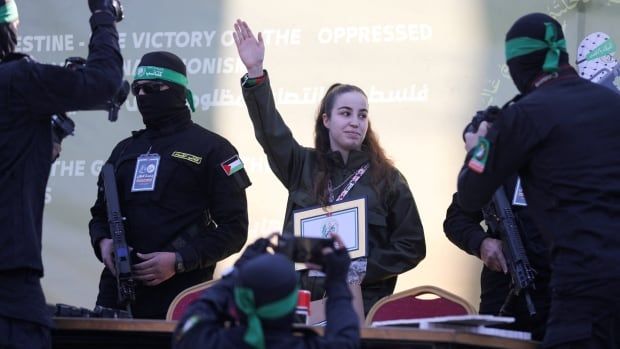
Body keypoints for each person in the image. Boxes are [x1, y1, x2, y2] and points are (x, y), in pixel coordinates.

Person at [232, 19, 426, 314]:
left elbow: (412, 245)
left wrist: (362, 269)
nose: (355, 122)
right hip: (300, 303)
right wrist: (256, 74)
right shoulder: (302, 165)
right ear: (326, 120)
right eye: (345, 113)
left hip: (362, 304)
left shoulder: (388, 178)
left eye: (362, 115)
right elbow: (271, 133)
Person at [457, 13, 620, 348]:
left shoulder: (525, 115)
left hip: (580, 287)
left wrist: (477, 149)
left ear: (518, 67)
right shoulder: (612, 104)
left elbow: (471, 193)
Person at [88, 51, 251, 319]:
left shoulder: (215, 149)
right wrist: (104, 244)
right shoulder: (123, 151)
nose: (142, 96)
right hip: (116, 296)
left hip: (182, 298)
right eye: (137, 90)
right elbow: (99, 216)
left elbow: (235, 229)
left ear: (177, 90)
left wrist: (179, 261)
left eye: (152, 89)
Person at [0, 0, 123, 347]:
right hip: (10, 295)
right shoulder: (17, 79)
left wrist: (44, 141)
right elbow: (105, 81)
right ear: (9, 29)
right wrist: (103, 15)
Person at [172, 235, 360, 349]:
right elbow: (346, 336)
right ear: (293, 303)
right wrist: (336, 280)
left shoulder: (204, 342)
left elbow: (197, 313)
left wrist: (236, 272)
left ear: (240, 300)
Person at [443, 177, 551, 340]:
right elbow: (456, 218)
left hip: (561, 296)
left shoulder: (571, 162)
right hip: (505, 294)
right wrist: (481, 243)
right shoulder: (500, 161)